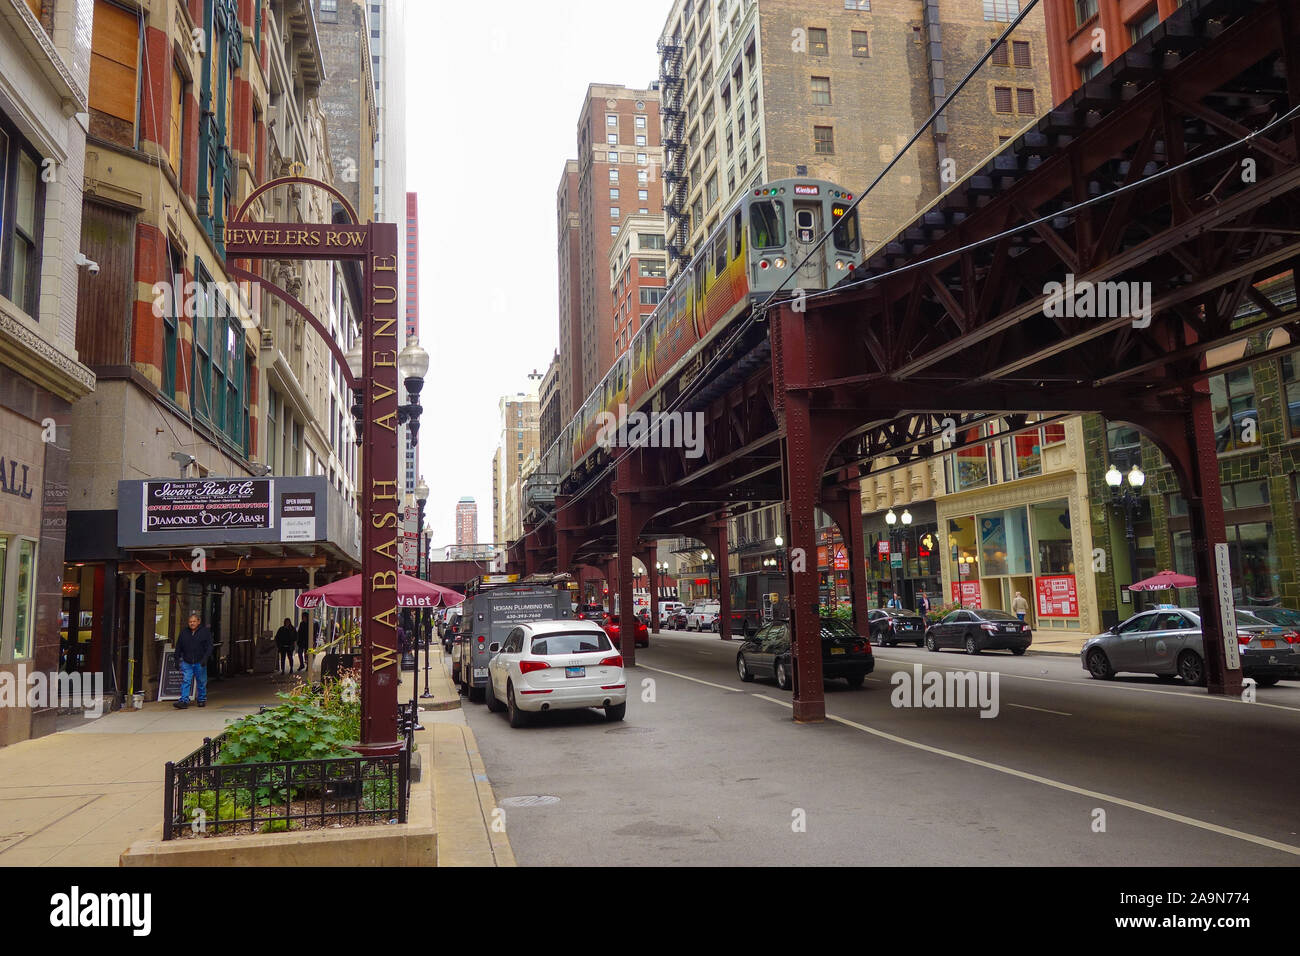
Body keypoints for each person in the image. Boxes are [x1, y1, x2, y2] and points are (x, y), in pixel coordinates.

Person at [174, 611, 213, 709]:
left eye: (194, 621)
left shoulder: (205, 632)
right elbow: (178, 646)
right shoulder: (184, 632)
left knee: (201, 681)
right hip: (187, 661)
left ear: (198, 622)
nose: (192, 623)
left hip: (200, 661)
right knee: (186, 681)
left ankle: (201, 699)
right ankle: (184, 700)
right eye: (190, 622)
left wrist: (205, 659)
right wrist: (176, 659)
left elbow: (209, 647)